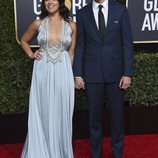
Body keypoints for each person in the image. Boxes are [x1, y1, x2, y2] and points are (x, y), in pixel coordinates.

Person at [73, 0, 134, 157]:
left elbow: (127, 44)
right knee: (94, 121)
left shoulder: (120, 11)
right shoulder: (82, 13)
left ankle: (117, 154)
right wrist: (78, 73)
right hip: (91, 75)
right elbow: (80, 45)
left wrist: (127, 73)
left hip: (116, 74)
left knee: (117, 119)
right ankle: (95, 155)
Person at [20, 0, 76, 157]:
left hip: (63, 71)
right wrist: (31, 54)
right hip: (43, 71)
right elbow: (24, 40)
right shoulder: (38, 23)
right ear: (44, 3)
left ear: (60, 2)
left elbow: (71, 52)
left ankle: (60, 151)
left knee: (62, 111)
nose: (50, 2)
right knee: (43, 108)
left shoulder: (71, 25)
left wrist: (69, 75)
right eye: (46, 0)